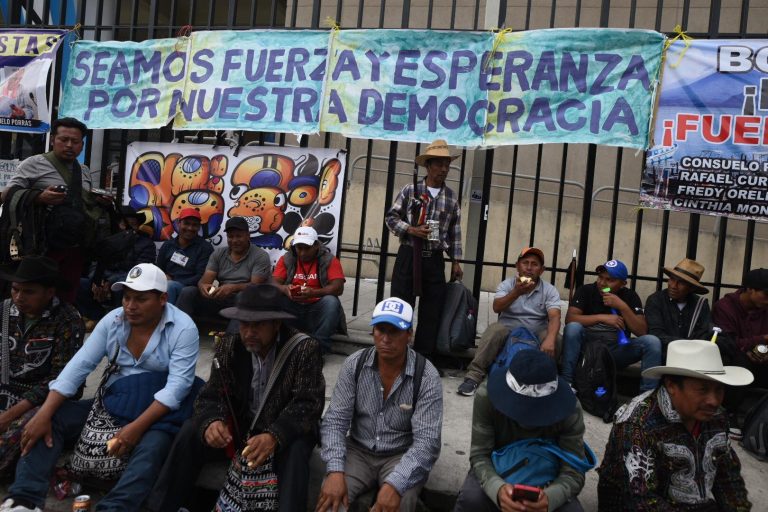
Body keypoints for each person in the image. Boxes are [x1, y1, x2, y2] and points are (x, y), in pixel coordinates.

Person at [0, 263, 199, 512]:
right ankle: (24, 500)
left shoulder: (183, 328)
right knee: (50, 419)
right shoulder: (113, 321)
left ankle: (115, 508)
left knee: (154, 445)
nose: (130, 306)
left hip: (155, 410)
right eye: (126, 297)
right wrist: (44, 412)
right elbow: (78, 367)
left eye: (141, 299)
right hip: (113, 402)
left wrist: (135, 428)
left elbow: (177, 388)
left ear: (162, 299)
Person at [148, 284, 325, 512]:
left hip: (283, 431)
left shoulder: (304, 349)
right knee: (191, 431)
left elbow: (308, 404)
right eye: (244, 324)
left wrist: (274, 436)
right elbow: (210, 395)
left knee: (298, 450)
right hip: (242, 428)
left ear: (276, 324)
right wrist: (212, 421)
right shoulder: (230, 345)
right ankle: (162, 506)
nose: (249, 332)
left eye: (258, 325)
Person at [317, 297, 443, 512]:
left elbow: (427, 443)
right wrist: (335, 470)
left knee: (401, 504)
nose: (385, 338)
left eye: (394, 331)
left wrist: (396, 484)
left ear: (409, 334)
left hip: (401, 454)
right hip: (358, 450)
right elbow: (335, 421)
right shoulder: (354, 364)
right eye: (380, 330)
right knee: (330, 502)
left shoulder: (426, 375)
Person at [597, 339, 753, 511]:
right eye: (702, 390)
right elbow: (641, 501)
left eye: (719, 390)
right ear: (671, 385)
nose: (713, 401)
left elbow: (728, 479)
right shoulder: (637, 424)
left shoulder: (717, 417)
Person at [454, 350, 588, 512]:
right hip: (497, 470)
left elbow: (573, 471)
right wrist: (498, 490)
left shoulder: (570, 409)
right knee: (472, 499)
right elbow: (480, 456)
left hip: (549, 478)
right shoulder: (486, 396)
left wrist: (549, 499)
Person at [1, 117, 111, 302]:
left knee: (67, 292)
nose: (69, 145)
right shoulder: (33, 163)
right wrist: (39, 197)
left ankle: (62, 327)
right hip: (42, 245)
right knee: (37, 293)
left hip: (74, 244)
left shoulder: (83, 170)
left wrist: (100, 202)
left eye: (75, 142)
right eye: (63, 139)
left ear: (82, 145)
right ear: (53, 140)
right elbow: (7, 194)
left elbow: (84, 204)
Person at [0, 257, 83, 475]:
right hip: (4, 390)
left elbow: (62, 378)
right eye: (15, 289)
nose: (19, 297)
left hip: (45, 400)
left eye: (29, 292)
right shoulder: (4, 311)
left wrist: (9, 415)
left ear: (49, 292)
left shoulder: (68, 319)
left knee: (19, 436)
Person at [385, 139, 463, 359]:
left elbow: (455, 231)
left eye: (446, 164)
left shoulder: (450, 197)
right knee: (402, 306)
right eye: (439, 164)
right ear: (428, 166)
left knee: (432, 310)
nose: (444, 169)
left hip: (434, 259)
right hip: (409, 255)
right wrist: (410, 229)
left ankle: (423, 359)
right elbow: (391, 218)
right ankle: (397, 355)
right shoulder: (411, 190)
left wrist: (456, 260)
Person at [458, 247, 562, 396]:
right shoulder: (507, 285)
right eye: (525, 263)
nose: (529, 268)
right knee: (494, 330)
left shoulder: (549, 290)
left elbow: (555, 316)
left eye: (534, 264)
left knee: (555, 338)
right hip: (509, 329)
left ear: (542, 270)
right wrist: (516, 292)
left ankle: (547, 378)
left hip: (536, 333)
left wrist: (550, 339)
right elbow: (496, 307)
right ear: (517, 266)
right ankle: (474, 376)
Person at [560, 259, 662, 392]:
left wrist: (622, 306)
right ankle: (567, 384)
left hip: (615, 351)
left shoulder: (630, 296)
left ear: (622, 284)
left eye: (610, 280)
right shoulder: (586, 290)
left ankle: (647, 396)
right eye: (600, 277)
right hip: (587, 349)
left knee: (652, 342)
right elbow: (570, 319)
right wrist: (602, 318)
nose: (602, 283)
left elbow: (642, 331)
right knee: (573, 328)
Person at [176, 216, 271, 322]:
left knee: (245, 296)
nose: (234, 240)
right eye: (230, 236)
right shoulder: (218, 253)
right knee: (188, 291)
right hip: (220, 297)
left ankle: (232, 337)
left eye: (239, 236)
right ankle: (180, 329)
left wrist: (233, 288)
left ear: (248, 236)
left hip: (243, 300)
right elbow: (205, 281)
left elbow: (256, 286)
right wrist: (204, 287)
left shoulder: (261, 256)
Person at [76, 206, 156, 326]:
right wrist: (98, 281)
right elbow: (95, 263)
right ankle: (95, 316)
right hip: (104, 278)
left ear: (138, 225)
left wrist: (110, 282)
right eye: (125, 224)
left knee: (124, 286)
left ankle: (121, 322)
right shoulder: (108, 241)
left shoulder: (146, 244)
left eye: (133, 224)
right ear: (118, 225)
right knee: (78, 283)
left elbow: (140, 271)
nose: (128, 228)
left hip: (125, 280)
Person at [273, 226, 345, 354]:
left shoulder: (329, 260)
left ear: (316, 246)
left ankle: (319, 349)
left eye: (307, 248)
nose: (302, 253)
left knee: (331, 302)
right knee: (275, 298)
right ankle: (283, 343)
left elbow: (338, 288)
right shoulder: (287, 258)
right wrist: (285, 289)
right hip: (293, 306)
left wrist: (314, 292)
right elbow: (273, 283)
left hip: (316, 308)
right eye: (299, 248)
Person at [713, 268, 768, 406]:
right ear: (750, 289)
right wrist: (763, 339)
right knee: (739, 361)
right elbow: (728, 343)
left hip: (761, 363)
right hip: (735, 360)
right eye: (766, 294)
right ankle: (729, 414)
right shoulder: (725, 307)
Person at [645, 258, 712, 355]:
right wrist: (688, 343)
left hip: (692, 357)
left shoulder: (701, 305)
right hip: (664, 356)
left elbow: (705, 336)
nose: (673, 286)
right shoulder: (656, 300)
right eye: (672, 279)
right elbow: (656, 335)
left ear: (691, 288)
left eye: (681, 282)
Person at [156, 208, 214, 305]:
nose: (190, 228)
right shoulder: (168, 245)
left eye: (194, 225)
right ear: (179, 223)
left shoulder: (205, 248)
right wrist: (163, 276)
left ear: (199, 227)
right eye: (186, 223)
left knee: (170, 286)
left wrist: (175, 281)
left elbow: (201, 276)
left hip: (190, 287)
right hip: (166, 283)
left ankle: (167, 319)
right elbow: (159, 268)